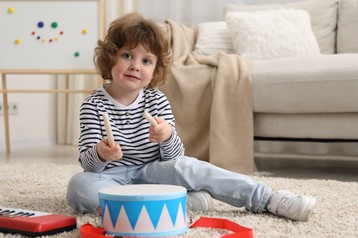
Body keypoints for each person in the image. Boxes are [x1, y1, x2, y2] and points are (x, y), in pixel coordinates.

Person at [66, 12, 316, 221]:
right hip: (110, 177)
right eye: (127, 55)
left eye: (146, 60)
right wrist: (100, 153)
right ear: (111, 57)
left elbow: (174, 159)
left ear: (155, 71)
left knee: (191, 167)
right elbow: (89, 166)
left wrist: (166, 137)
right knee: (79, 186)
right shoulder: (93, 105)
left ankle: (266, 198)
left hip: (154, 173)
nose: (136, 66)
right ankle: (178, 204)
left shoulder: (156, 100)